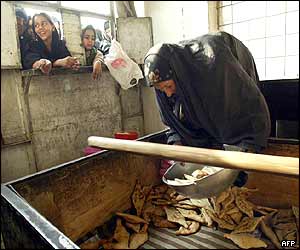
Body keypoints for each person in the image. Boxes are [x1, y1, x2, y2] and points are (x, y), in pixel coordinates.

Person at [143, 31, 271, 153]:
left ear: (178, 74)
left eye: (168, 86)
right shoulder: (166, 76)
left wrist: (245, 148)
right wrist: (177, 143)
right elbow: (172, 121)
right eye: (161, 89)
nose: (168, 94)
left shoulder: (215, 64)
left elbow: (248, 108)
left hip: (227, 61)